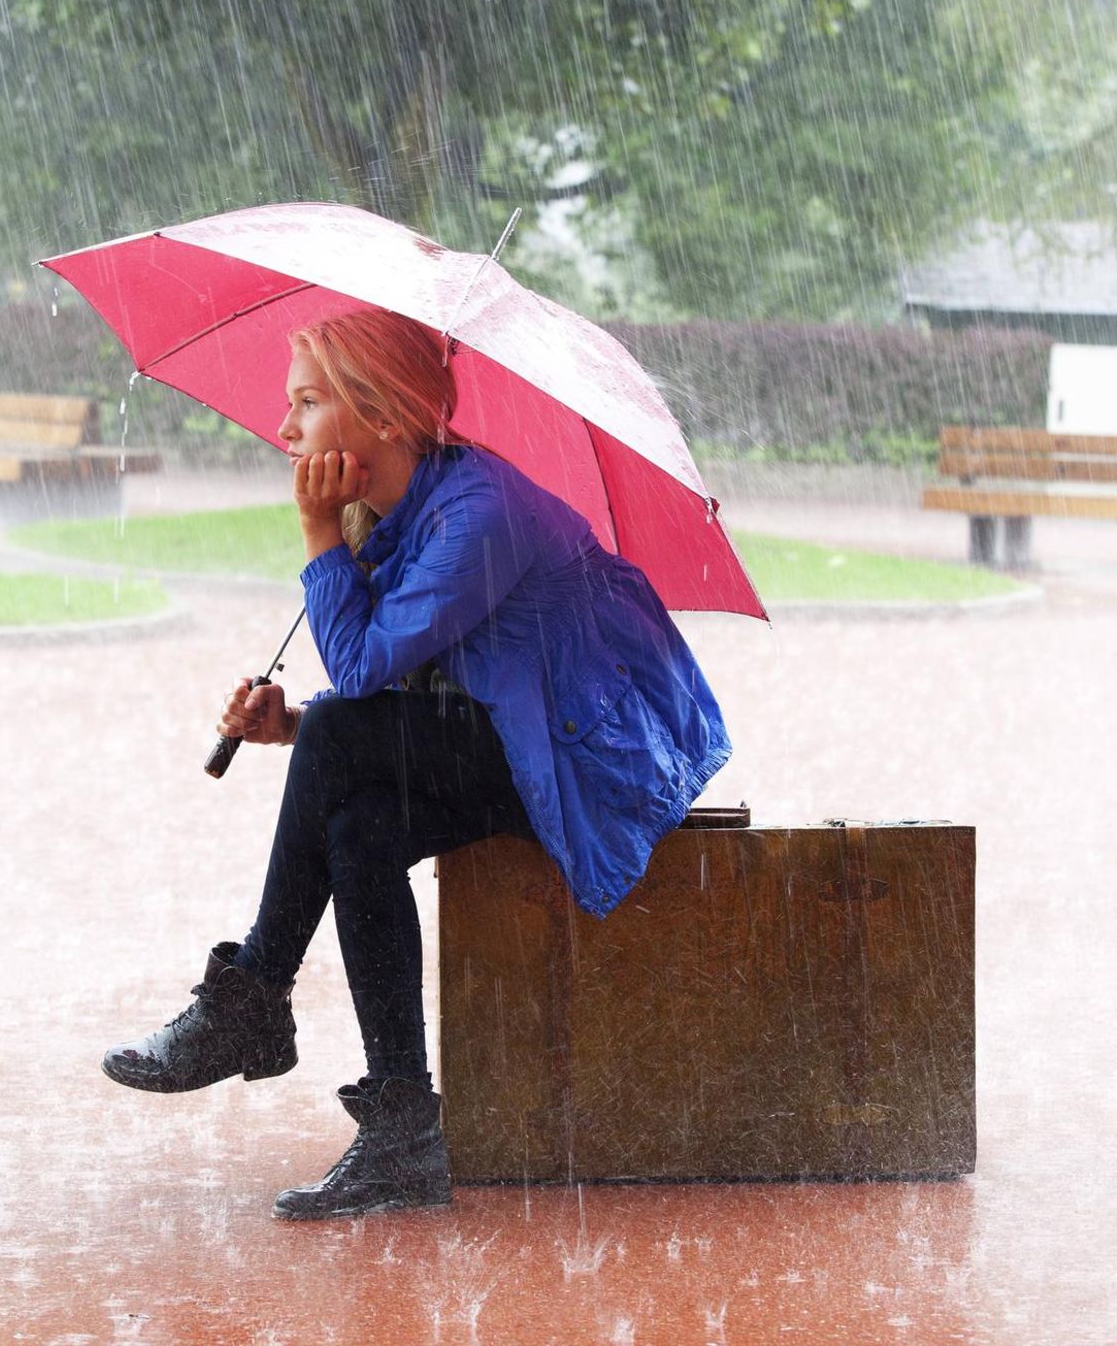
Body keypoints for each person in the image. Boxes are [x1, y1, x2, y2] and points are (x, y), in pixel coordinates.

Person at [102, 307, 731, 1220]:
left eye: (308, 403)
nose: (285, 430)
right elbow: (407, 691)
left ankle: (253, 998)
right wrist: (294, 724)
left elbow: (362, 673)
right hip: (516, 735)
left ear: (386, 416)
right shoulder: (409, 513)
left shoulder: (481, 515)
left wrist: (320, 534)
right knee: (360, 828)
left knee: (339, 742)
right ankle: (403, 1130)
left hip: (584, 760)